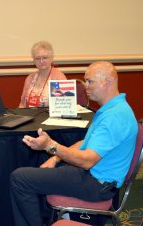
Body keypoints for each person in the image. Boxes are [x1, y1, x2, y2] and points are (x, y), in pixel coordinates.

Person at [10, 61, 138, 226]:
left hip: (97, 185)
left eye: (90, 81)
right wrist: (55, 158)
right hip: (96, 177)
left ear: (108, 82)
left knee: (20, 179)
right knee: (41, 168)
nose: (86, 87)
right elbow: (85, 142)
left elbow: (87, 161)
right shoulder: (114, 108)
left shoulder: (115, 116)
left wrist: (51, 146)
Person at [19, 40, 67, 108]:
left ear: (51, 58)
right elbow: (22, 104)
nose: (41, 61)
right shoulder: (30, 78)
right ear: (33, 60)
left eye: (45, 58)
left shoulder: (58, 77)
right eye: (38, 58)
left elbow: (62, 106)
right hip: (31, 116)